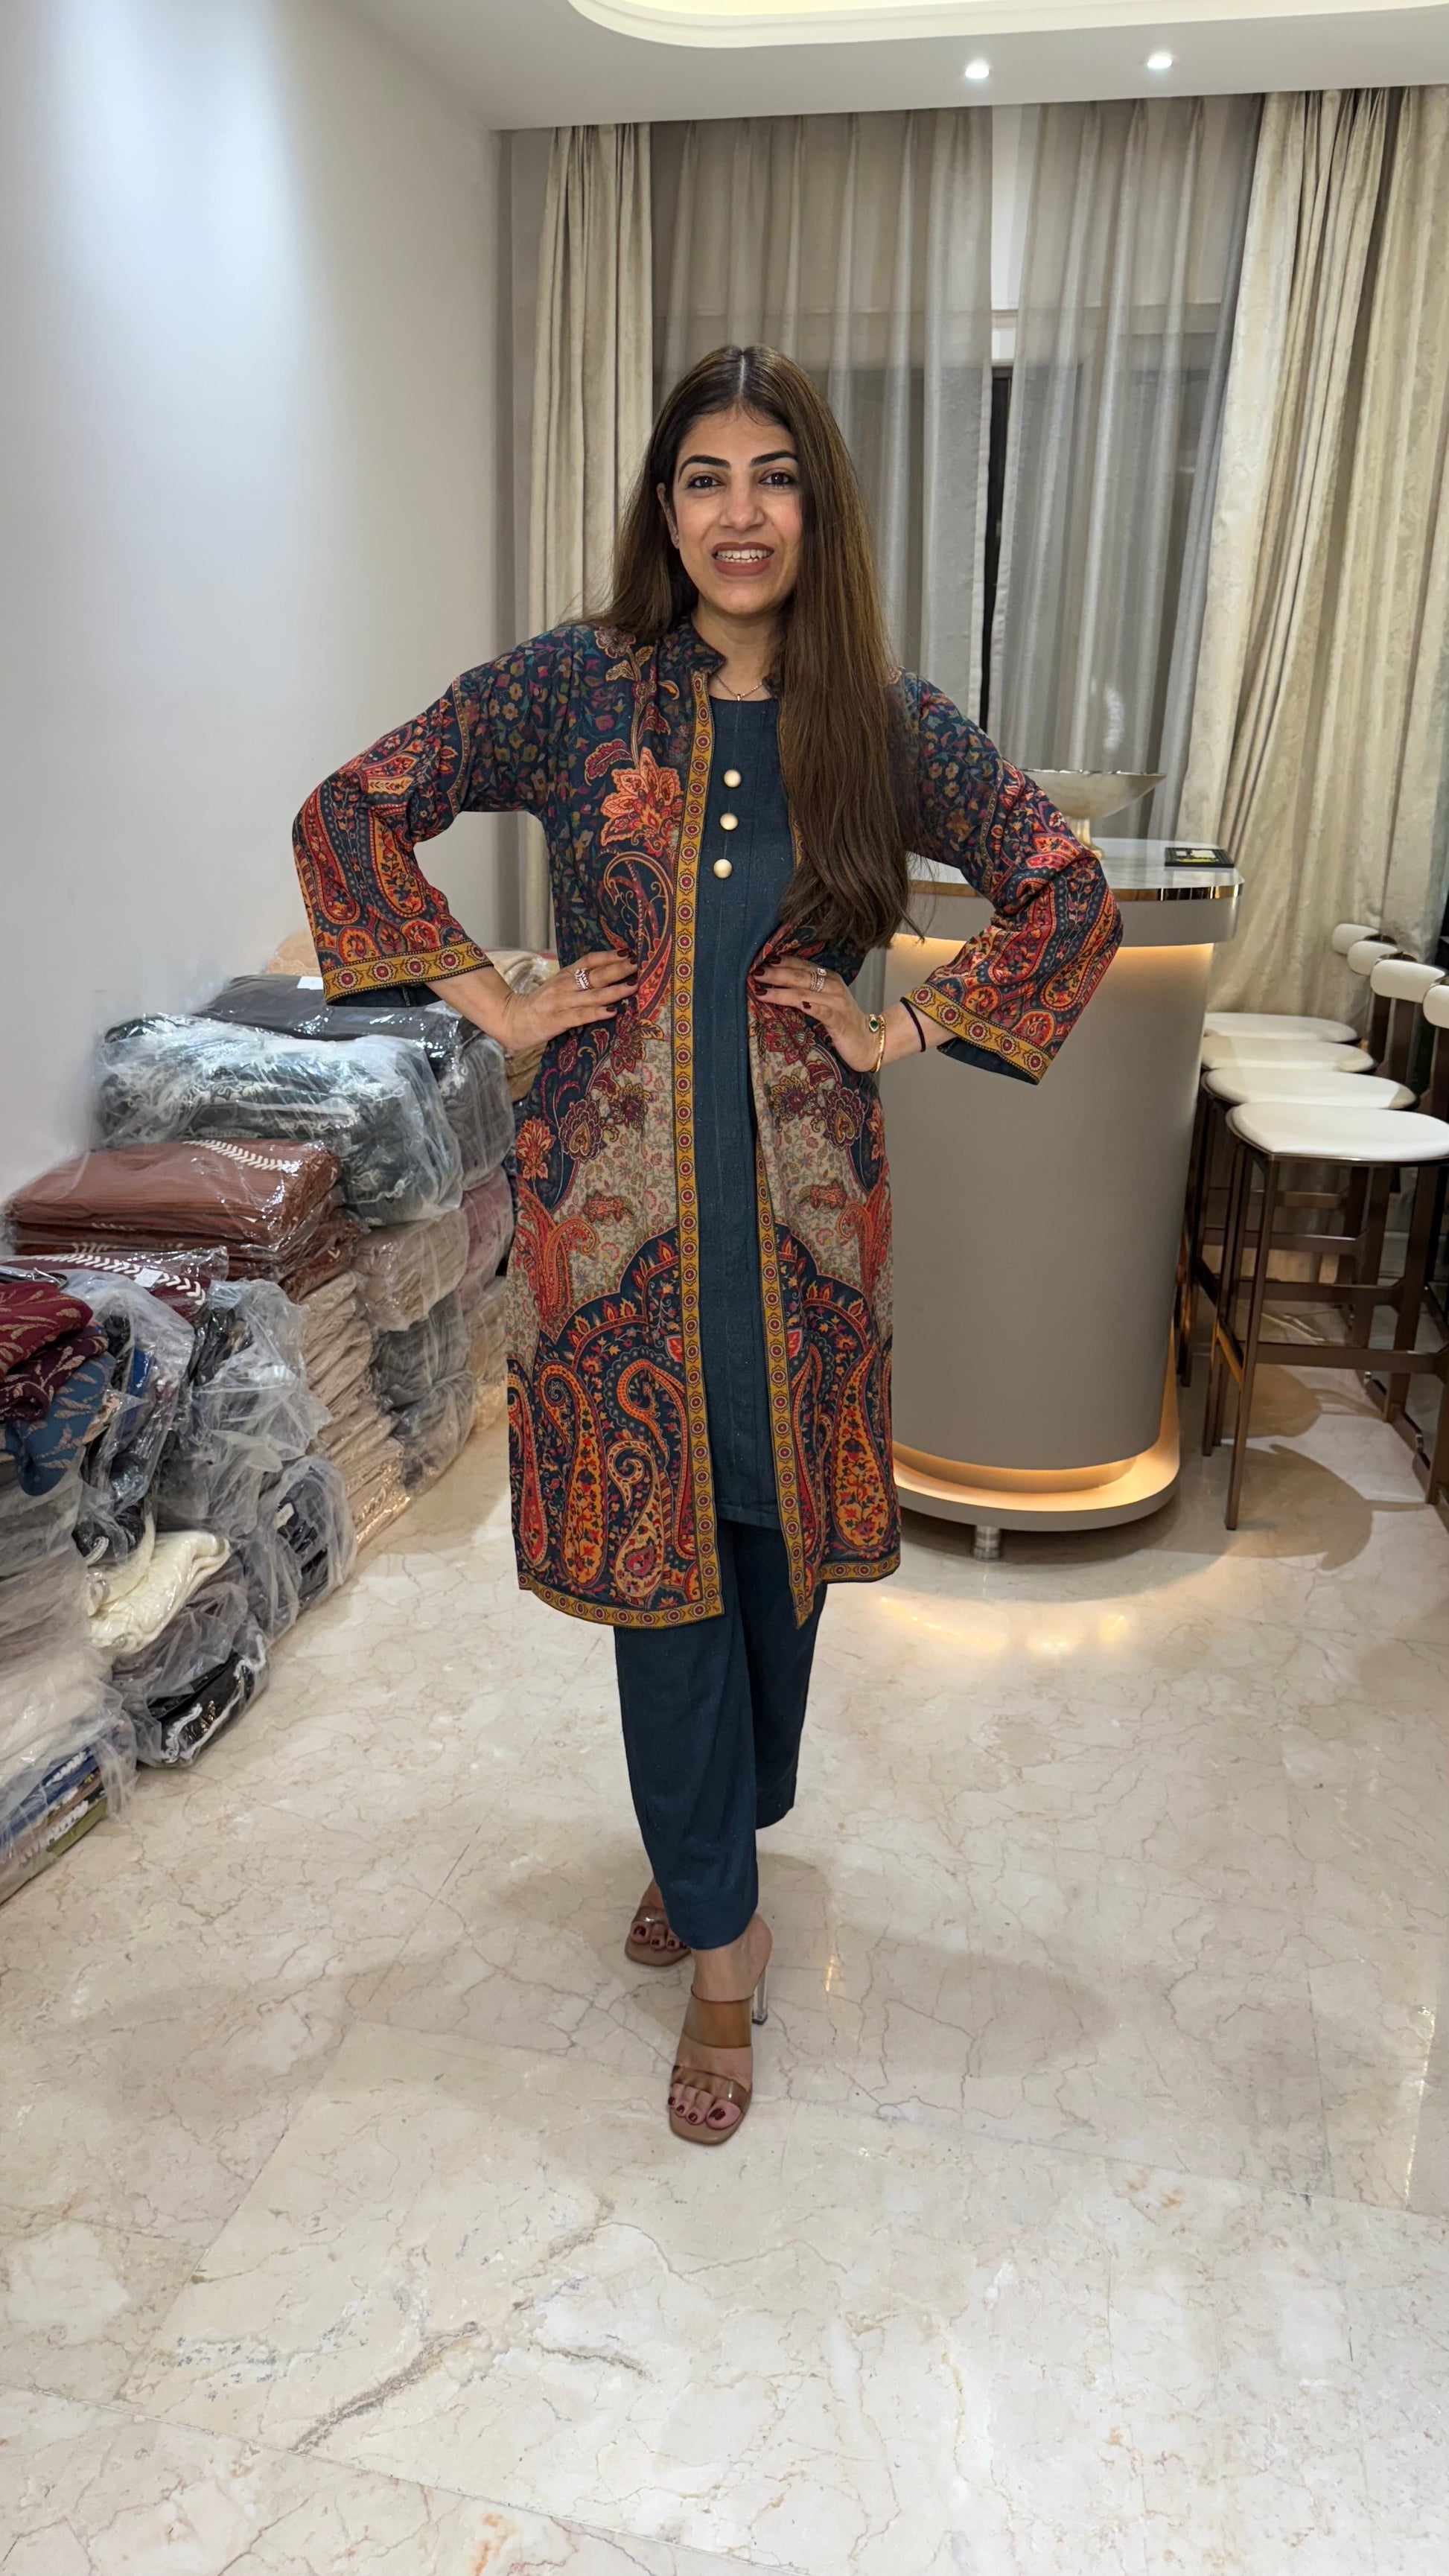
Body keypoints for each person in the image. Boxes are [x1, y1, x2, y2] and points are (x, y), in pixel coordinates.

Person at [293, 345, 1121, 2149]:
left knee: (772, 1554)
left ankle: (708, 1844)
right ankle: (722, 1947)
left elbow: (1067, 887)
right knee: (657, 1570)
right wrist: (490, 998)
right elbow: (349, 808)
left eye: (773, 476)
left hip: (809, 1230)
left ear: (817, 504)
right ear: (661, 506)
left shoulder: (882, 719)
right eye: (702, 477)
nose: (738, 514)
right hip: (615, 1233)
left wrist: (903, 1027)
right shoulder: (571, 688)